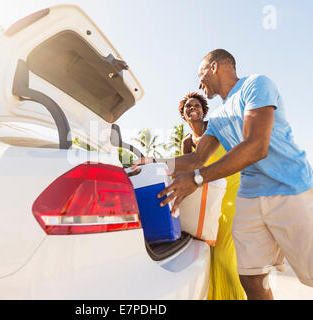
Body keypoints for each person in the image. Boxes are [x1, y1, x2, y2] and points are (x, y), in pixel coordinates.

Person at [132, 49, 313, 300]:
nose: (198, 83)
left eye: (200, 74)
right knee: (251, 278)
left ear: (214, 67)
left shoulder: (256, 85)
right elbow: (196, 158)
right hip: (249, 199)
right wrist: (154, 161)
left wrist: (196, 179)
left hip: (290, 189)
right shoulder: (217, 118)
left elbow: (256, 146)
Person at [179, 91, 246, 300]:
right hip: (209, 196)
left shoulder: (214, 128)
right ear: (183, 114)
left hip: (232, 189)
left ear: (203, 110)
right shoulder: (187, 142)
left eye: (196, 105)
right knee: (211, 253)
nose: (192, 109)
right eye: (188, 107)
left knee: (226, 254)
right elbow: (186, 169)